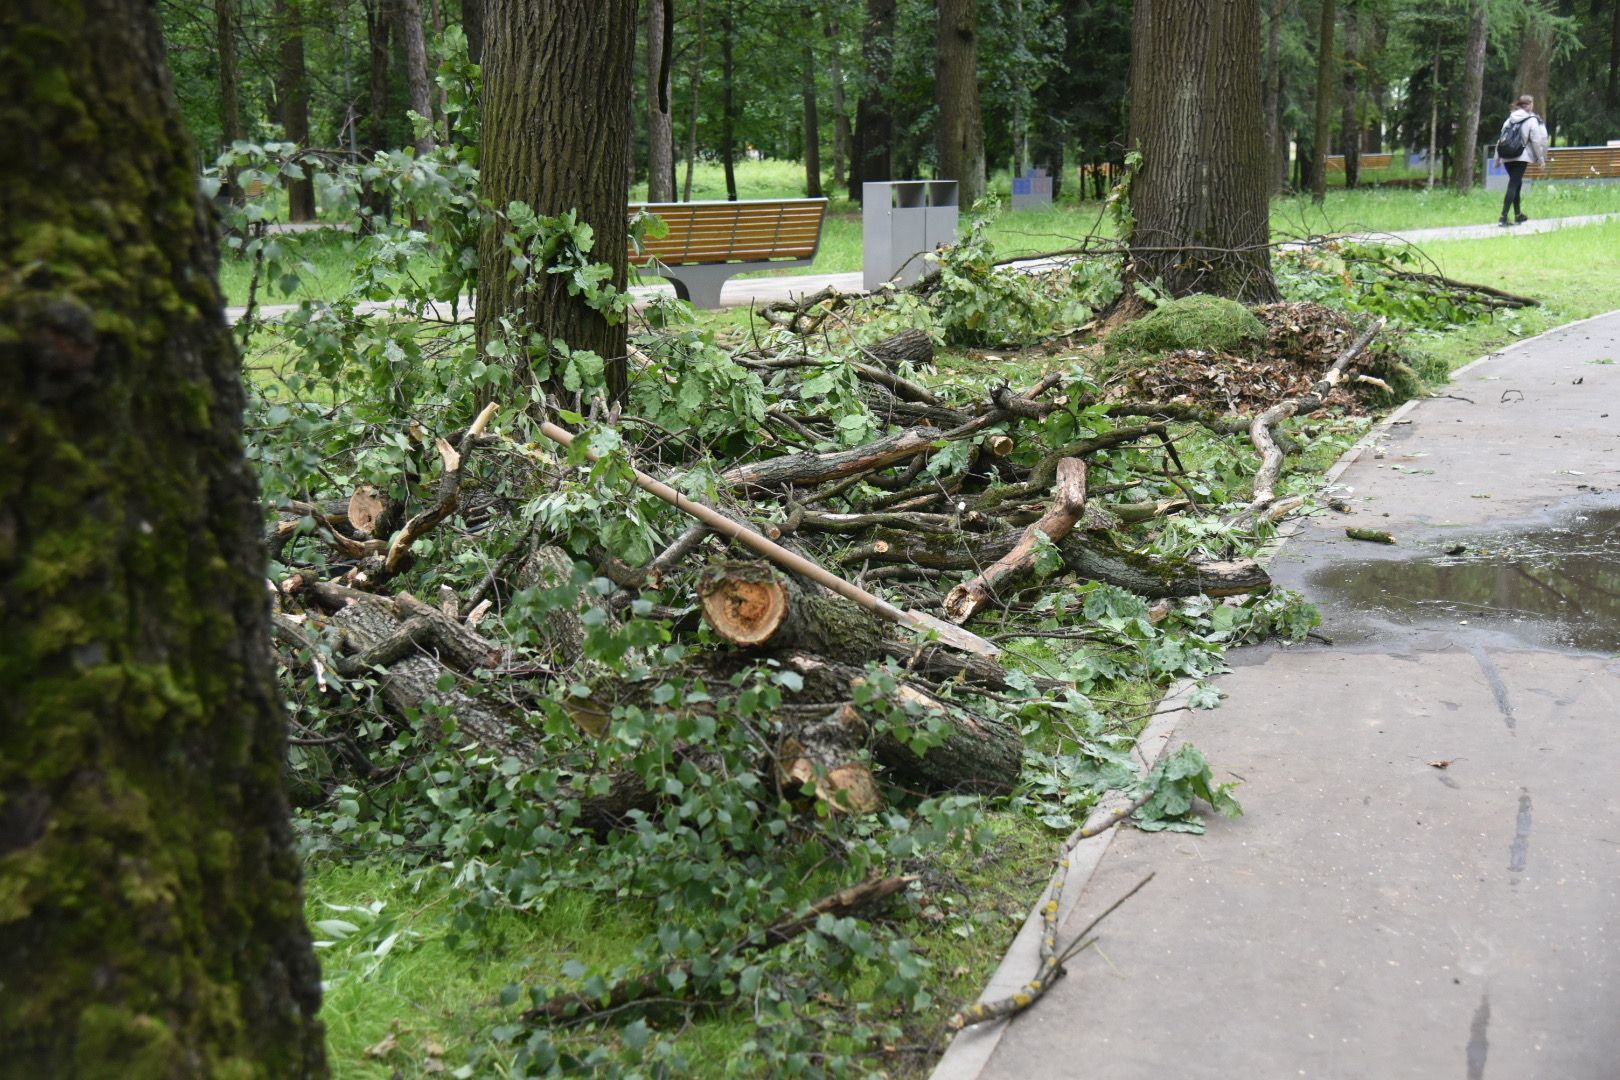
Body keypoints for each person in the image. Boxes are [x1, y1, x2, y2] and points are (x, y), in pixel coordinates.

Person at [1495, 95, 1549, 227]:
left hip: (1507, 156)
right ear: (1530, 105)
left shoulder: (1510, 119)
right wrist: (1541, 159)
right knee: (1513, 184)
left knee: (1517, 183)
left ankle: (1518, 215)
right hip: (1521, 156)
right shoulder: (1531, 119)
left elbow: (1501, 138)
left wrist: (1497, 157)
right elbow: (1536, 141)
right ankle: (1503, 217)